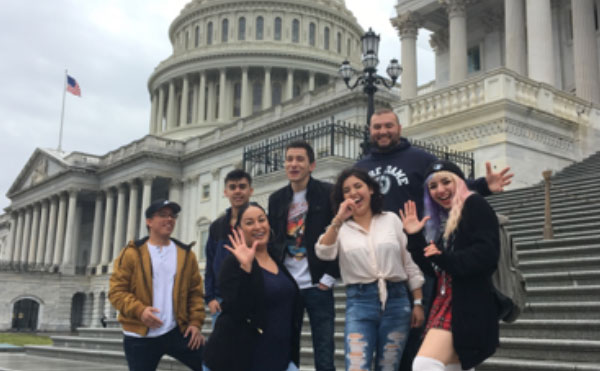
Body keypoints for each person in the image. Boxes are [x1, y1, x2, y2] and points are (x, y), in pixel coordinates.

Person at [355, 107, 512, 371]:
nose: (382, 131)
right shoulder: (361, 166)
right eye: (377, 127)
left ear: (399, 128)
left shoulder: (419, 159)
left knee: (424, 355)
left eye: (388, 126)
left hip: (434, 281)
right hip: (378, 265)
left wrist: (483, 187)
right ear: (369, 130)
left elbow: (447, 179)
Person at [316, 167, 425, 371]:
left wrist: (418, 301)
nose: (353, 193)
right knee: (356, 366)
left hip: (397, 299)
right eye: (347, 190)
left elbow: (408, 262)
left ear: (371, 189)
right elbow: (323, 252)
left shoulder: (390, 219)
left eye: (358, 186)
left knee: (388, 366)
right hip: (360, 301)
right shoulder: (341, 228)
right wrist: (338, 219)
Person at [399, 160, 500, 371]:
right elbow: (432, 268)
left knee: (425, 364)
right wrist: (416, 237)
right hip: (447, 300)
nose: (440, 190)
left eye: (446, 182)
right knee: (452, 367)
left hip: (466, 302)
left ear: (460, 183)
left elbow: (487, 256)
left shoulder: (474, 204)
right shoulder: (448, 219)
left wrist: (443, 257)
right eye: (433, 186)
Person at [203, 202, 302, 371]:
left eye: (261, 220)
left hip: (279, 357)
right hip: (242, 359)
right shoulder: (232, 264)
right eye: (249, 223)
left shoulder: (277, 260)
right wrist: (246, 270)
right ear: (239, 231)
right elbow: (237, 310)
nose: (258, 226)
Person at [109, 199, 205, 371]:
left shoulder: (185, 254)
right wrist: (140, 310)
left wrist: (195, 323)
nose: (169, 219)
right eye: (163, 215)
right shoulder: (132, 253)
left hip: (177, 330)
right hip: (140, 334)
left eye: (172, 216)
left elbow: (195, 293)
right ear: (149, 221)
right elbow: (116, 292)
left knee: (211, 363)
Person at [268, 141, 339, 371]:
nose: (293, 164)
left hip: (317, 283)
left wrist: (329, 277)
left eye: (300, 159)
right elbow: (274, 240)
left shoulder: (328, 193)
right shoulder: (276, 199)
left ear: (312, 165)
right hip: (288, 285)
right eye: (289, 159)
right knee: (287, 346)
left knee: (324, 348)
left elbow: (340, 235)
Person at [204, 169, 253, 325]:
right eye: (232, 187)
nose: (237, 191)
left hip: (250, 297)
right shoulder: (217, 226)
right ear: (225, 192)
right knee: (222, 348)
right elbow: (210, 264)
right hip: (220, 300)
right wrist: (210, 298)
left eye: (242, 186)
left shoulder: (258, 223)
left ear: (250, 191)